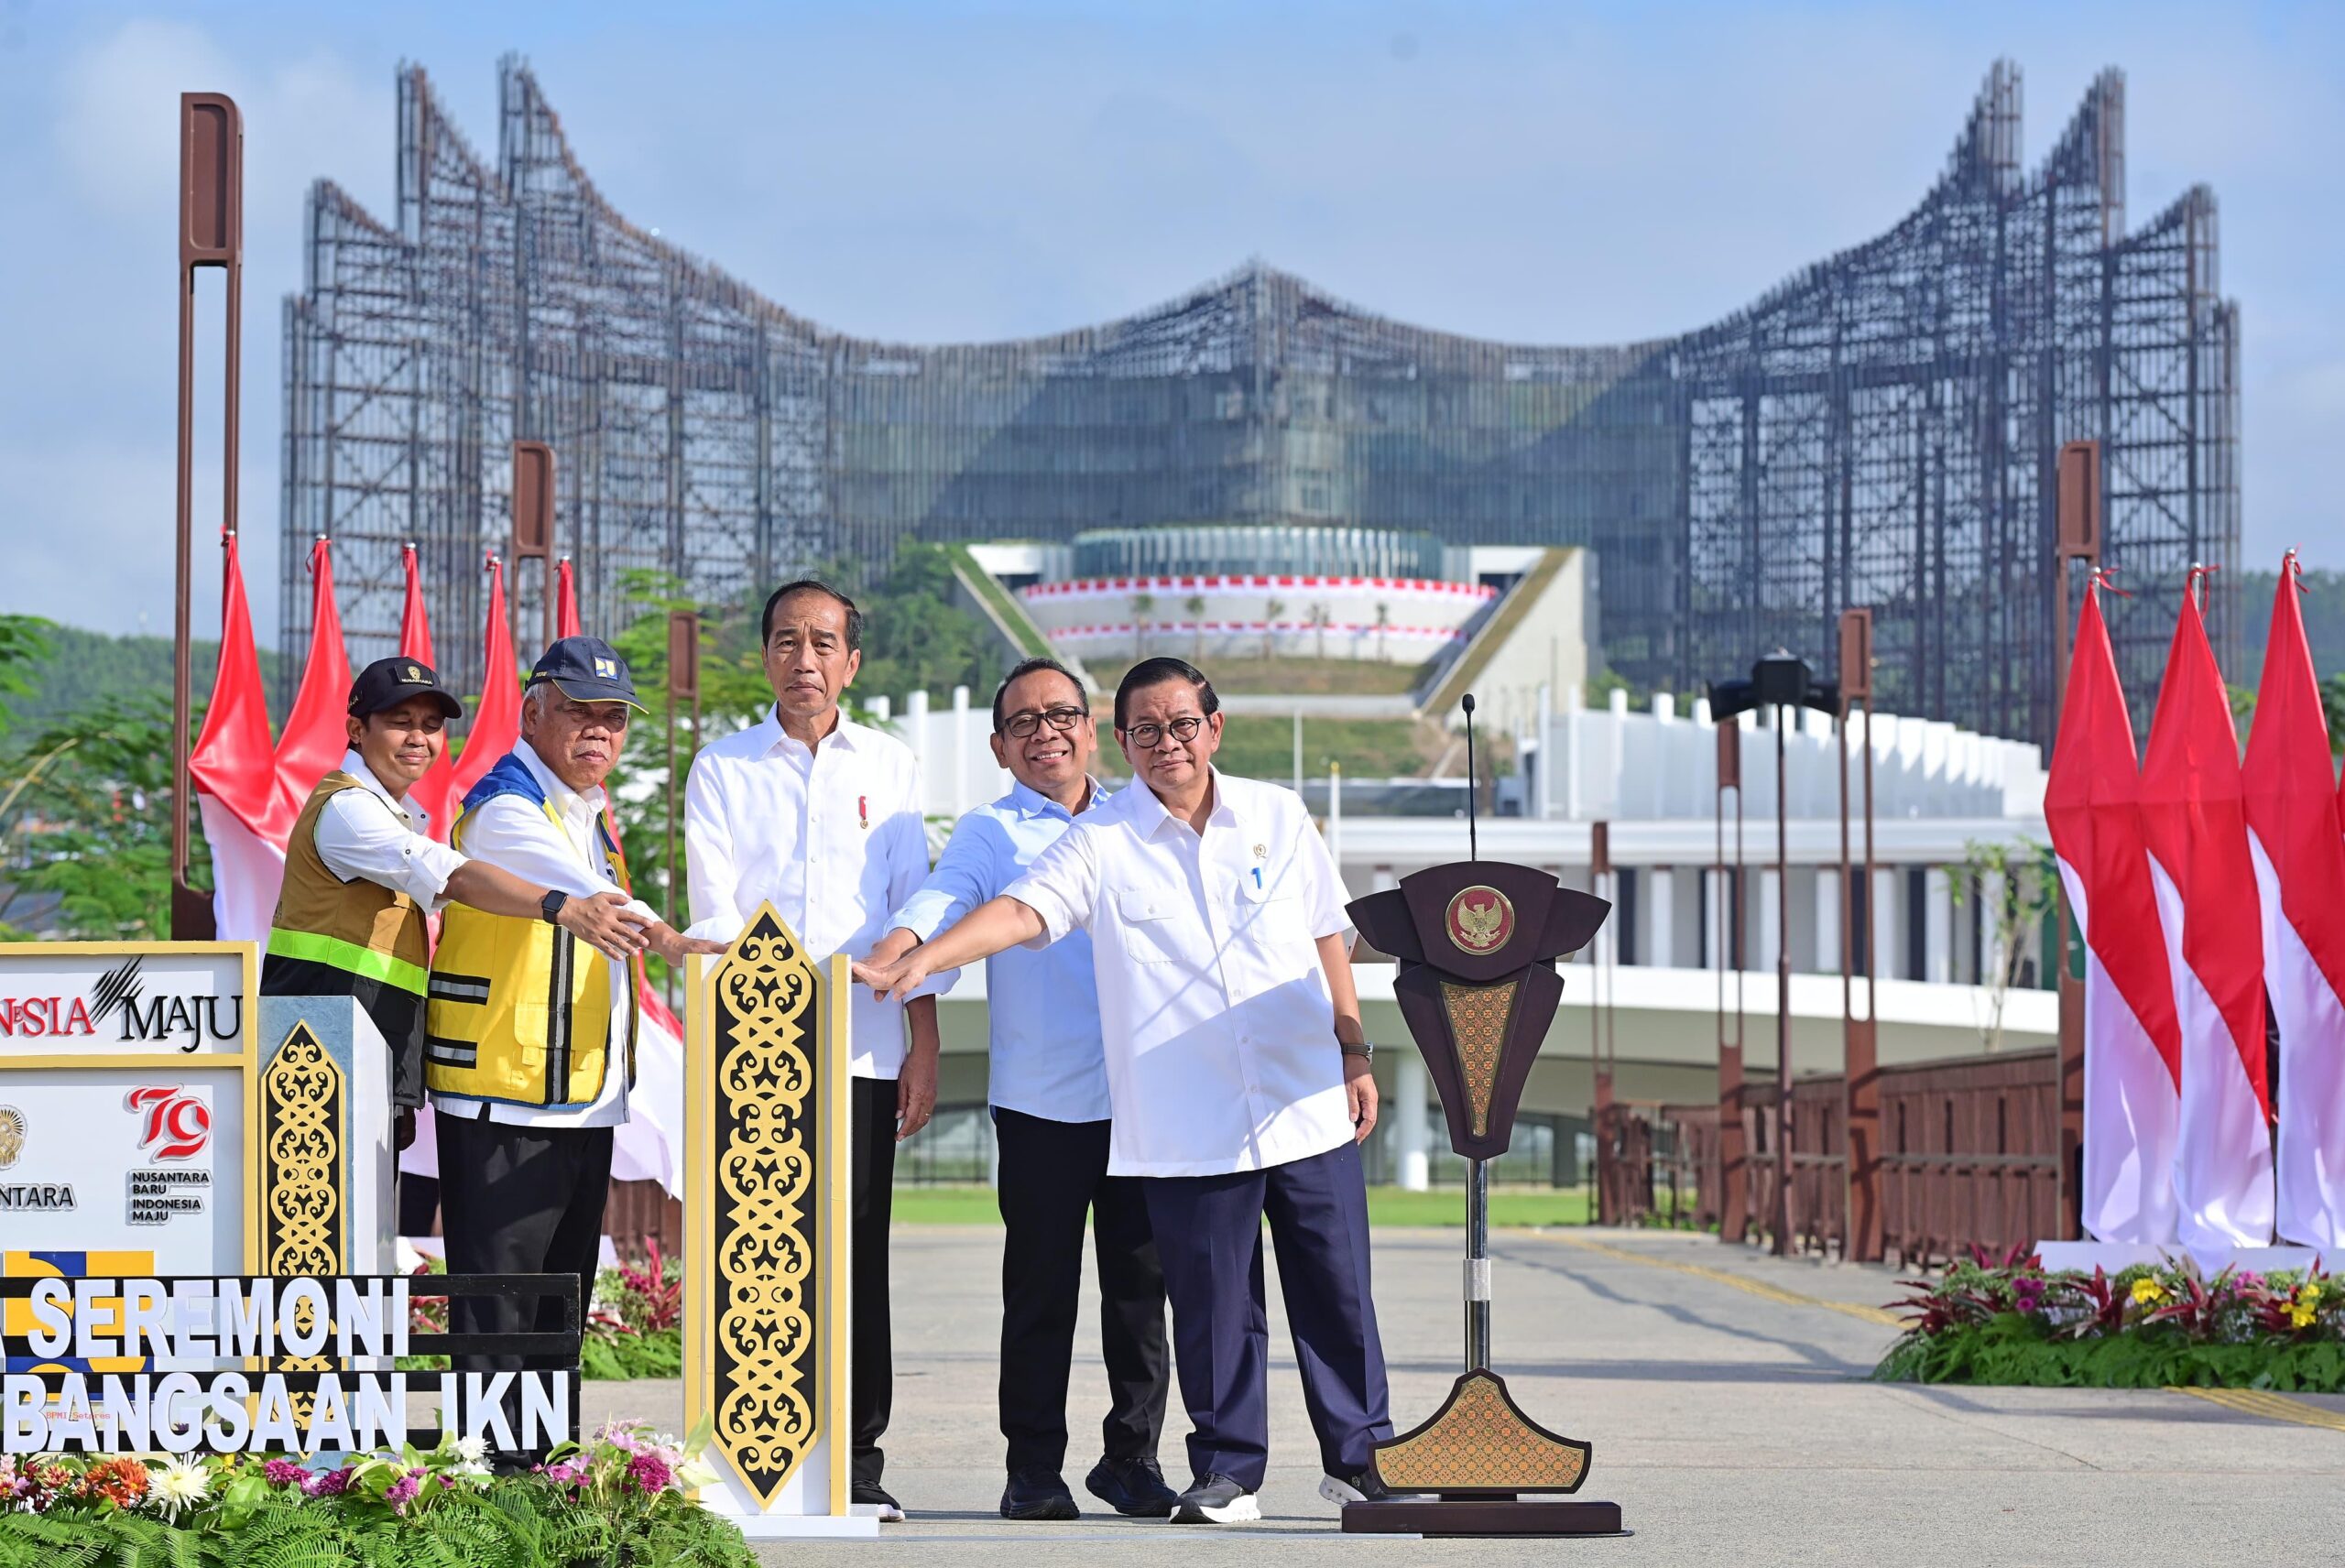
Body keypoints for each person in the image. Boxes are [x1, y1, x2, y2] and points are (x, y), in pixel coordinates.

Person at [856, 655, 1393, 1525]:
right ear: (1125, 742)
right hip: (1172, 1114)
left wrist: (1354, 1046)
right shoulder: (1089, 843)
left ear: (1214, 728)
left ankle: (1355, 1456)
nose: (1167, 744)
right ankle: (1216, 1471)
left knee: (1328, 1289)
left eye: (1182, 725)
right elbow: (1014, 911)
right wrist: (918, 959)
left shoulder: (1275, 813)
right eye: (1147, 730)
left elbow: (1327, 930)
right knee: (1208, 1305)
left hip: (1293, 1094)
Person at [863, 657, 1175, 1522]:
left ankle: (1132, 1460)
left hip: (1142, 1098)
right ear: (1001, 747)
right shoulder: (991, 831)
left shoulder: (1143, 816)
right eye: (1026, 723)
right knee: (1039, 1295)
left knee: (1140, 1295)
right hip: (1041, 1103)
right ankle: (1033, 1471)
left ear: (1093, 729)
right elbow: (944, 897)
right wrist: (898, 952)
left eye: (1062, 715)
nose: (1047, 733)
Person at [682, 579, 943, 1522]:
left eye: (824, 642)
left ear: (852, 660)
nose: (806, 659)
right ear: (764, 655)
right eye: (788, 640)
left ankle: (858, 1453)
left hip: (865, 1047)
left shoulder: (894, 764)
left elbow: (916, 909)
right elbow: (713, 914)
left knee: (854, 1252)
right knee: (755, 1244)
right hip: (751, 1047)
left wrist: (924, 1036)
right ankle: (753, 1444)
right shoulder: (721, 766)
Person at [424, 636, 720, 1464]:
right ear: (533, 709)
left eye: (614, 720)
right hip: (502, 1090)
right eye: (580, 713)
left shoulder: (592, 819)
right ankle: (484, 1482)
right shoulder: (506, 807)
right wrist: (662, 932)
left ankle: (543, 1468)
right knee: (498, 1303)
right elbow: (578, 891)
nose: (599, 734)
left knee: (560, 1303)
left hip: (581, 1097)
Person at [262, 654, 648, 1154]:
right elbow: (455, 876)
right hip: (317, 1045)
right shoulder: (348, 809)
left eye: (430, 725)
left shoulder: (388, 811)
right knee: (320, 1220)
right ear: (357, 729)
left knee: (360, 1221)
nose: (418, 739)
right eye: (400, 723)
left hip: (363, 1037)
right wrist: (562, 907)